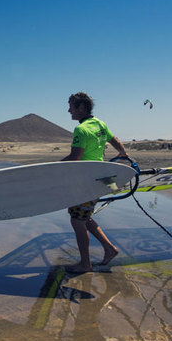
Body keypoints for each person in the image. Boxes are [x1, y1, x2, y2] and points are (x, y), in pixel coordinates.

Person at [61, 92, 130, 273]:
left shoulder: (81, 130)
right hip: (100, 178)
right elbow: (113, 139)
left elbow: (75, 158)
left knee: (77, 221)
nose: (69, 111)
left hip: (85, 180)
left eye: (72, 107)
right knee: (84, 217)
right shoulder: (100, 123)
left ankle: (85, 264)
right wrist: (123, 152)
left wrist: (52, 168)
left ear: (82, 108)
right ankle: (109, 249)